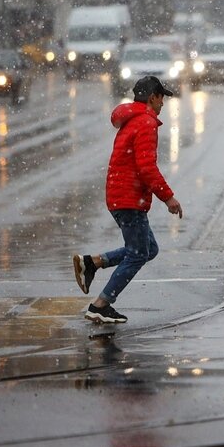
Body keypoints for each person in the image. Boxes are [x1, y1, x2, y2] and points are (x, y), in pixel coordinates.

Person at [73, 76, 183, 323]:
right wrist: (168, 198)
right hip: (129, 198)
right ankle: (100, 305)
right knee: (137, 254)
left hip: (122, 195)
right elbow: (146, 167)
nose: (163, 103)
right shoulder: (145, 122)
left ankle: (93, 263)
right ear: (152, 97)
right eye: (161, 97)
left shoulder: (133, 120)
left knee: (148, 249)